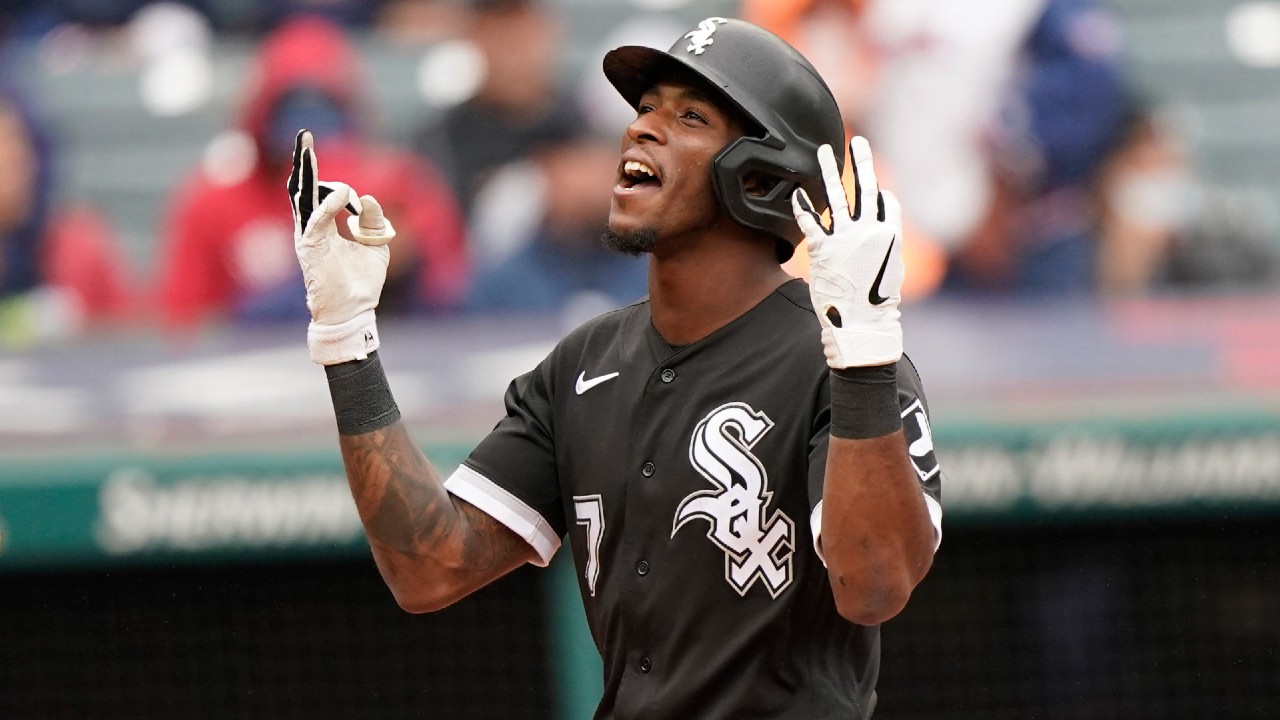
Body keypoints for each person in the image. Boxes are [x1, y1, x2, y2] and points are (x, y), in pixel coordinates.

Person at [290, 17, 943, 719]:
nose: (641, 130)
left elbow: (874, 588)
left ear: (760, 174)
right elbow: (429, 567)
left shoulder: (844, 363)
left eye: (688, 116)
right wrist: (347, 341)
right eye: (643, 109)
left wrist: (866, 364)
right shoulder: (583, 363)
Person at [157, 15, 466, 329]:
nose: (310, 127)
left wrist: (401, 266)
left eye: (325, 106)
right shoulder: (213, 201)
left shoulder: (403, 184)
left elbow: (451, 302)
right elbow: (184, 323)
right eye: (291, 107)